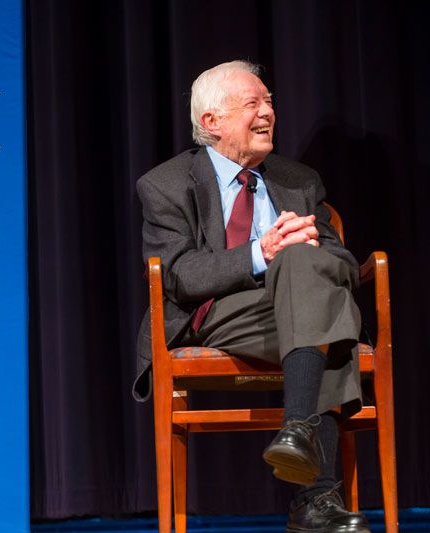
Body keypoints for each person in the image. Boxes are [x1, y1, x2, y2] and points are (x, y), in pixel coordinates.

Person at [134, 60, 370, 533]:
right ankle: (317, 495)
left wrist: (304, 253)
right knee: (328, 316)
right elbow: (181, 276)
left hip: (296, 307)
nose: (268, 112)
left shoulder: (298, 180)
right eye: (253, 104)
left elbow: (343, 264)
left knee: (309, 276)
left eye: (270, 102)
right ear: (212, 123)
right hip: (217, 313)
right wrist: (263, 251)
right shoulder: (166, 184)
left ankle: (298, 434)